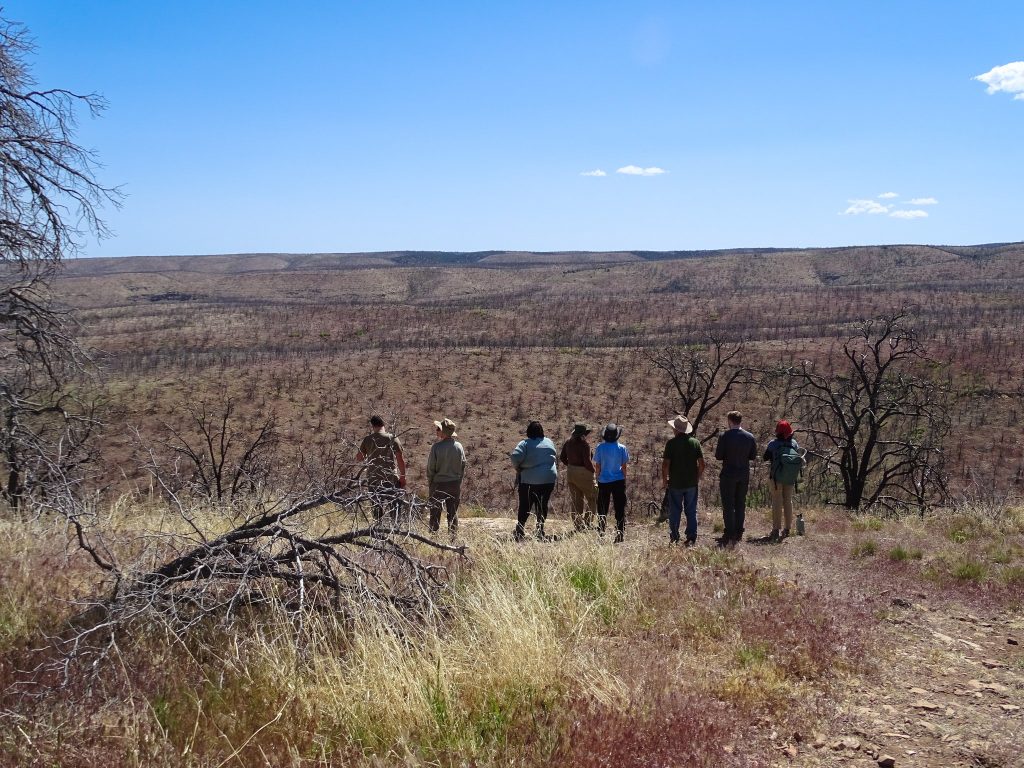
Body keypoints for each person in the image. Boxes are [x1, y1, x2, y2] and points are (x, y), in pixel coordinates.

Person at [713, 410, 757, 547]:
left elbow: (718, 456)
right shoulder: (750, 437)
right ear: (740, 421)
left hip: (728, 474)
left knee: (728, 504)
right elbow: (753, 456)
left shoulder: (724, 436)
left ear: (730, 421)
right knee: (740, 503)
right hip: (743, 474)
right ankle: (739, 530)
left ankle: (730, 531)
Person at [510, 421, 558, 540]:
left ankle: (520, 528)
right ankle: (540, 529)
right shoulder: (549, 441)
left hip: (529, 480)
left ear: (528, 432)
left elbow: (515, 456)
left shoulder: (524, 443)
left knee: (525, 504)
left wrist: (518, 468)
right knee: (542, 504)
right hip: (548, 479)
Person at [662, 415, 706, 546]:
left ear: (676, 429)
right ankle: (691, 537)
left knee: (675, 511)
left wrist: (665, 480)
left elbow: (665, 465)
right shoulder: (695, 443)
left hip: (675, 483)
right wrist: (697, 477)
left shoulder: (671, 444)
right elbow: (702, 464)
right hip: (691, 483)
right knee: (691, 511)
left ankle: (674, 537)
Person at [356, 414, 406, 523]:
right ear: (384, 424)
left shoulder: (368, 440)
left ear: (372, 425)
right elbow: (400, 459)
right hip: (390, 478)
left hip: (373, 479)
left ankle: (377, 532)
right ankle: (395, 531)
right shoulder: (392, 438)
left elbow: (359, 458)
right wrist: (403, 477)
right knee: (395, 508)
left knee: (376, 510)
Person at [762, 420, 805, 541]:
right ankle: (787, 528)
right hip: (790, 477)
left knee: (777, 501)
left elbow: (765, 457)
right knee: (788, 501)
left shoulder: (773, 444)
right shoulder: (794, 443)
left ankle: (776, 529)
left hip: (776, 477)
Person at [427, 417, 466, 536]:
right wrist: (458, 481)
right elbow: (463, 464)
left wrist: (431, 483)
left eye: (438, 428)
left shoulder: (436, 447)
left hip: (438, 484)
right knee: (453, 513)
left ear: (443, 432)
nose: (436, 430)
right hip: (454, 484)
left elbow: (430, 469)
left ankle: (433, 537)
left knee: (435, 512)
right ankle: (453, 538)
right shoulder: (459, 446)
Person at [593, 423, 629, 543]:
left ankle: (601, 533)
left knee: (602, 508)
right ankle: (620, 533)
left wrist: (597, 478)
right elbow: (624, 466)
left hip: (604, 481)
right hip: (618, 481)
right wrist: (624, 478)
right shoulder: (622, 448)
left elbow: (597, 466)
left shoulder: (600, 447)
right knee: (619, 508)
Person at [559, 423, 598, 531]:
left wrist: (571, 466)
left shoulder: (568, 442)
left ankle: (578, 525)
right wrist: (594, 472)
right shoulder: (584, 445)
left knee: (576, 500)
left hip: (571, 472)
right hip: (584, 472)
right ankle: (587, 522)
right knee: (593, 498)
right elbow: (587, 462)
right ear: (583, 434)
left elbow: (562, 457)